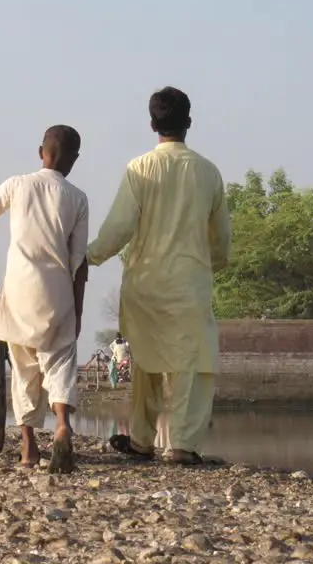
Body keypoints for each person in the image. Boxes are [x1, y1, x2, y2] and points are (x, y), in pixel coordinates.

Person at [88, 87, 231, 466]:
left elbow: (119, 227)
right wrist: (206, 265)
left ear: (152, 124)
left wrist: (89, 257)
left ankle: (140, 440)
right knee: (193, 364)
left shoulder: (139, 169)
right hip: (189, 284)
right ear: (188, 122)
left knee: (147, 363)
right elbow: (222, 243)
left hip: (144, 284)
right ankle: (182, 444)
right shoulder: (208, 172)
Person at [0, 125, 89, 473]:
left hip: (21, 289)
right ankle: (63, 425)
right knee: (59, 363)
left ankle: (29, 447)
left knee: (22, 370)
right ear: (74, 160)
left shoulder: (17, 184)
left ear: (41, 152)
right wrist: (78, 309)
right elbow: (79, 261)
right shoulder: (78, 198)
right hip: (58, 291)